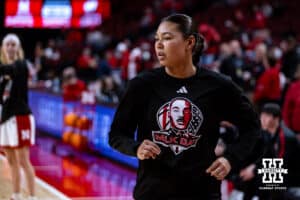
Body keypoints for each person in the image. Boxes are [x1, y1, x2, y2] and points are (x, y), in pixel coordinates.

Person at [109, 14, 260, 200]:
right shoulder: (141, 85)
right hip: (153, 193)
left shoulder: (219, 86)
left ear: (189, 43)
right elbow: (116, 135)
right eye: (157, 39)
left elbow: (252, 128)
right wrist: (135, 147)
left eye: (167, 38)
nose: (158, 45)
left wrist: (231, 159)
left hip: (202, 193)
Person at [0, 33, 37, 200]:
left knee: (23, 160)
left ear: (18, 48)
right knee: (11, 162)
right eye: (7, 44)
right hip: (6, 119)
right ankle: (16, 195)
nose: (10, 47)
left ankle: (32, 197)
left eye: (13, 44)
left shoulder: (22, 65)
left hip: (21, 117)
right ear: (3, 48)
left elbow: (11, 70)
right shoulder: (3, 73)